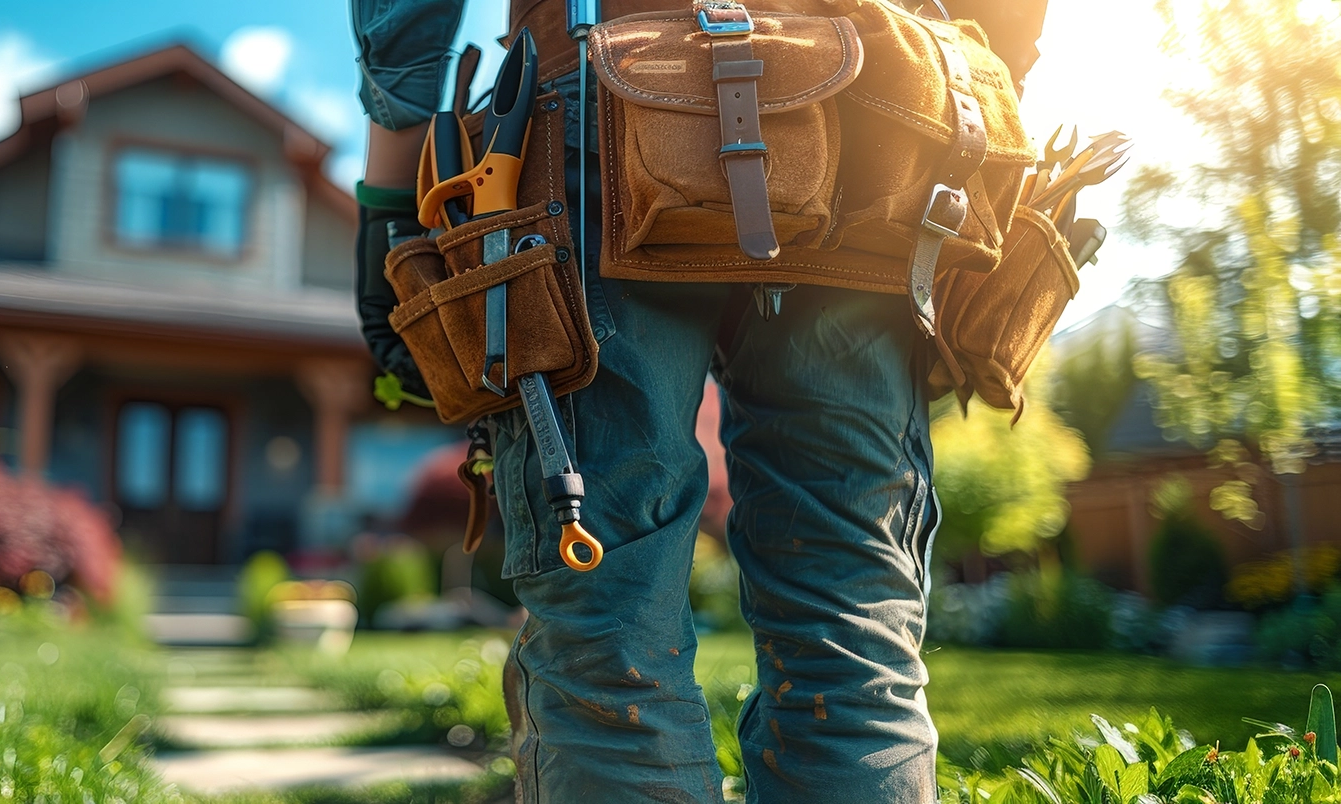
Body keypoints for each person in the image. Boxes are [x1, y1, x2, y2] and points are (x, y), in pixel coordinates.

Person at [349, 2, 1047, 801]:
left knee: (609, 643)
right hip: (881, 118)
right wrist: (986, 97)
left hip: (597, 98)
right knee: (852, 629)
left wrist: (390, 204)